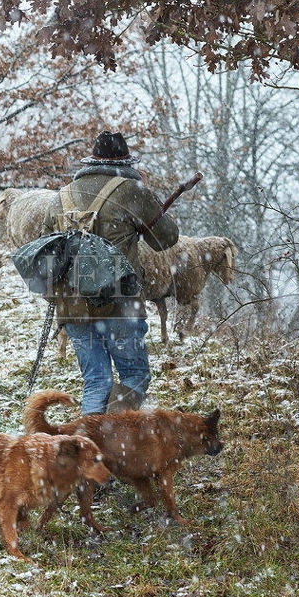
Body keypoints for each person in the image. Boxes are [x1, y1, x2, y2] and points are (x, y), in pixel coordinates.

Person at [44, 131, 179, 414]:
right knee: (134, 376)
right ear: (127, 161)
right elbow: (165, 240)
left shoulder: (62, 197)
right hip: (119, 303)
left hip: (73, 305)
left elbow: (47, 252)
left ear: (91, 160)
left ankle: (88, 445)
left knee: (96, 382)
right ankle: (114, 436)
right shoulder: (133, 191)